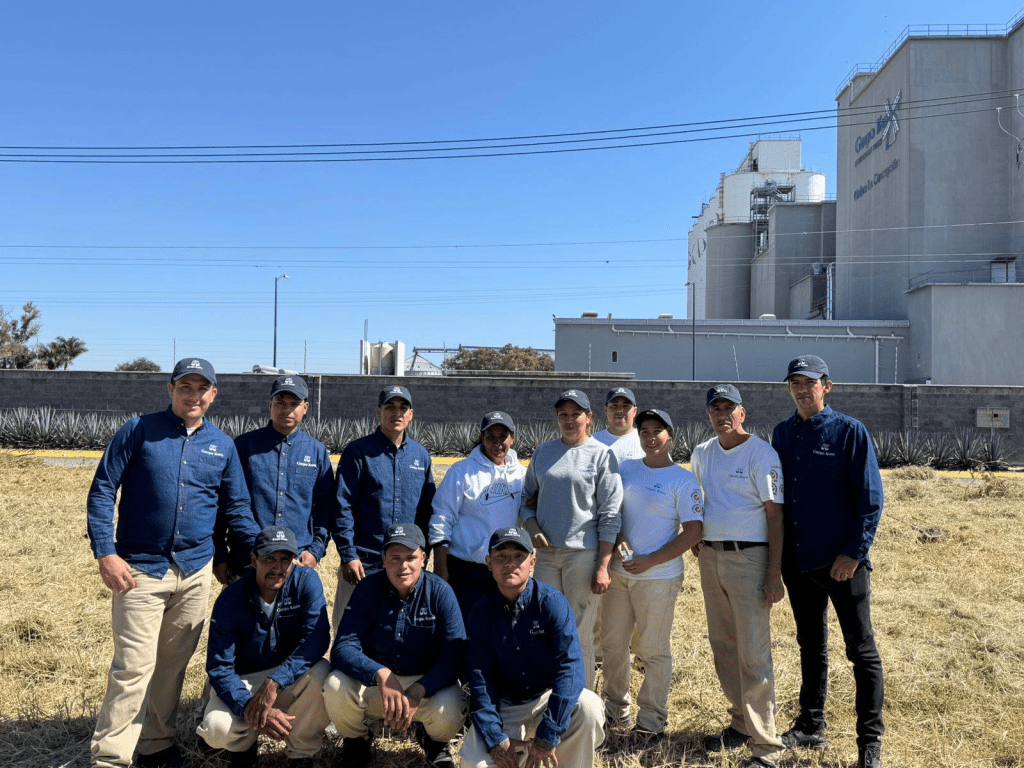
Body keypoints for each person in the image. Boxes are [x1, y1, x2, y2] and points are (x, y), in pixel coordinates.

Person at [86, 358, 262, 768]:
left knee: (172, 666)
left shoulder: (222, 445)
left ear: (213, 395)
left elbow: (237, 508)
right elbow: (103, 490)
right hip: (139, 571)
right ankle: (110, 758)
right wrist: (105, 552)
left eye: (202, 389)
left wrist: (261, 550)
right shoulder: (138, 431)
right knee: (133, 667)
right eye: (185, 387)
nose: (193, 396)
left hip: (195, 572)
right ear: (171, 390)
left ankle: (156, 744)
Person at [771, 355, 885, 768]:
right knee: (811, 645)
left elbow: (871, 499)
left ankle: (869, 743)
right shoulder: (783, 434)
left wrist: (853, 553)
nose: (802, 390)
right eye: (795, 383)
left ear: (827, 386)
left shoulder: (850, 432)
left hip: (842, 565)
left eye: (810, 382)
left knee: (861, 651)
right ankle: (810, 725)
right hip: (799, 562)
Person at [690, 385, 785, 767]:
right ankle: (742, 723)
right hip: (711, 557)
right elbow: (701, 498)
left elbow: (775, 514)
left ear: (742, 413)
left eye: (730, 408)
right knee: (724, 648)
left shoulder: (761, 453)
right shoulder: (702, 453)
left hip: (750, 559)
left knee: (753, 654)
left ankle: (766, 746)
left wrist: (774, 572)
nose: (722, 415)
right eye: (716, 409)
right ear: (708, 416)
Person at [324, 524, 467, 768]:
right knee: (334, 686)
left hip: (423, 686)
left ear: (423, 558)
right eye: (395, 558)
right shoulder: (367, 589)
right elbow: (342, 648)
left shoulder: (441, 592)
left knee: (452, 706)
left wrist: (420, 689)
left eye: (411, 557)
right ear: (383, 560)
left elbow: (455, 657)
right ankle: (357, 741)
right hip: (378, 685)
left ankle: (434, 741)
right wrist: (380, 674)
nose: (403, 566)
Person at [461, 526, 605, 768]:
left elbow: (569, 669)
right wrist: (496, 740)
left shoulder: (552, 603)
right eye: (501, 556)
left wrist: (548, 734)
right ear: (489, 563)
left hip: (546, 698)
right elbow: (480, 680)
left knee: (588, 708)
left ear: (532, 563)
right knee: (473, 763)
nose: (510, 563)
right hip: (505, 705)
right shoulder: (480, 612)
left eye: (519, 556)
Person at [601, 408, 704, 740]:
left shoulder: (682, 480)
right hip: (619, 575)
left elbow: (694, 532)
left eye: (657, 431)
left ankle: (651, 721)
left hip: (659, 579)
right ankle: (615, 712)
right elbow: (611, 512)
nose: (650, 437)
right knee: (613, 646)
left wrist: (651, 561)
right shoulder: (626, 469)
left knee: (653, 651)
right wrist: (618, 540)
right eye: (644, 431)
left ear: (670, 436)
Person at [197, 526, 331, 768]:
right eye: (269, 559)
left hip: (285, 676)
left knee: (322, 673)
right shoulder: (231, 598)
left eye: (285, 559)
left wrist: (275, 681)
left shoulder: (305, 580)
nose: (278, 568)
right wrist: (250, 707)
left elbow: (317, 638)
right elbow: (219, 667)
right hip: (244, 679)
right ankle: (243, 747)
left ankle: (301, 753)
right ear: (253, 559)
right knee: (217, 729)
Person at [520, 389, 623, 690]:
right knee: (546, 628)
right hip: (546, 556)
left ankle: (582, 701)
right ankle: (549, 698)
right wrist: (532, 527)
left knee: (579, 633)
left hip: (583, 555)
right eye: (563, 415)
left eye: (575, 414)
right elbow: (527, 501)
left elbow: (610, 514)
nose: (569, 420)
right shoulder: (543, 453)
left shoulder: (601, 455)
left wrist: (603, 565)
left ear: (589, 418)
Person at [330, 385, 436, 631]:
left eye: (403, 408)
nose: (396, 413)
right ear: (378, 412)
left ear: (411, 414)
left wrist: (423, 554)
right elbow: (342, 505)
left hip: (405, 565)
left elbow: (427, 512)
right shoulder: (358, 452)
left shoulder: (420, 456)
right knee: (350, 631)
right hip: (363, 563)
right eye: (390, 407)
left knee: (398, 631)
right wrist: (348, 554)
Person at [216, 374, 335, 582]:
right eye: (280, 402)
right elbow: (226, 502)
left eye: (294, 403)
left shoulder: (316, 452)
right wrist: (220, 556)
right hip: (247, 560)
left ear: (305, 407)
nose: (286, 409)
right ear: (270, 404)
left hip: (296, 562)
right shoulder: (244, 446)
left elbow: (326, 507)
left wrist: (315, 551)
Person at [429, 410, 527, 624]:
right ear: (482, 438)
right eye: (491, 436)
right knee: (464, 631)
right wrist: (440, 567)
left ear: (512, 439)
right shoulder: (461, 472)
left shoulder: (521, 476)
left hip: (506, 571)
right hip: (466, 570)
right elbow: (442, 518)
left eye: (503, 436)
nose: (497, 443)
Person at [592, 386, 644, 463]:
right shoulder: (593, 441)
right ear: (606, 410)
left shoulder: (646, 441)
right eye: (614, 406)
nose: (620, 410)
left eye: (626, 406)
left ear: (634, 411)